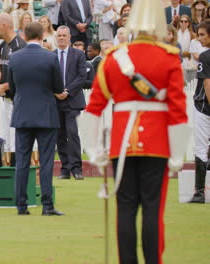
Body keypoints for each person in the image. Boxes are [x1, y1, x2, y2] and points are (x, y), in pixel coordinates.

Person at [83, 0, 189, 262]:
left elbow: (93, 108)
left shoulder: (114, 57)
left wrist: (93, 148)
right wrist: (178, 152)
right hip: (157, 145)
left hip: (123, 145)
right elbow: (177, 109)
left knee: (126, 210)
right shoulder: (167, 58)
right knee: (153, 211)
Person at [8, 22, 64, 216]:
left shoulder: (15, 58)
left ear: (24, 35)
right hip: (46, 114)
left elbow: (12, 88)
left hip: (23, 113)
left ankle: (21, 206)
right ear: (42, 36)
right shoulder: (50, 57)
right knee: (46, 161)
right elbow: (58, 87)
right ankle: (47, 205)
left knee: (22, 161)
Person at [0, 13, 27, 166]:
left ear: (4, 26)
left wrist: (4, 86)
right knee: (5, 134)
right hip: (7, 99)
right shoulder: (4, 46)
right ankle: (8, 170)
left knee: (15, 135)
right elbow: (6, 71)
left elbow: (24, 75)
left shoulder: (20, 46)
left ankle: (17, 169)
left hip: (19, 100)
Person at [54, 25, 86, 180]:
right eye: (59, 35)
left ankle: (77, 168)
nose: (61, 38)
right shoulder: (51, 56)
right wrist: (56, 92)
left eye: (64, 35)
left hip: (72, 100)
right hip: (55, 101)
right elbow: (48, 77)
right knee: (59, 136)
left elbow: (81, 77)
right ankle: (65, 169)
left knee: (72, 134)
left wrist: (67, 91)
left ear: (69, 37)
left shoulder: (78, 55)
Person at [188, 20, 210, 203]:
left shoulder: (205, 57)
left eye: (202, 34)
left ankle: (200, 192)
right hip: (203, 109)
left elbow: (207, 85)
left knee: (201, 148)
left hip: (204, 107)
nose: (199, 38)